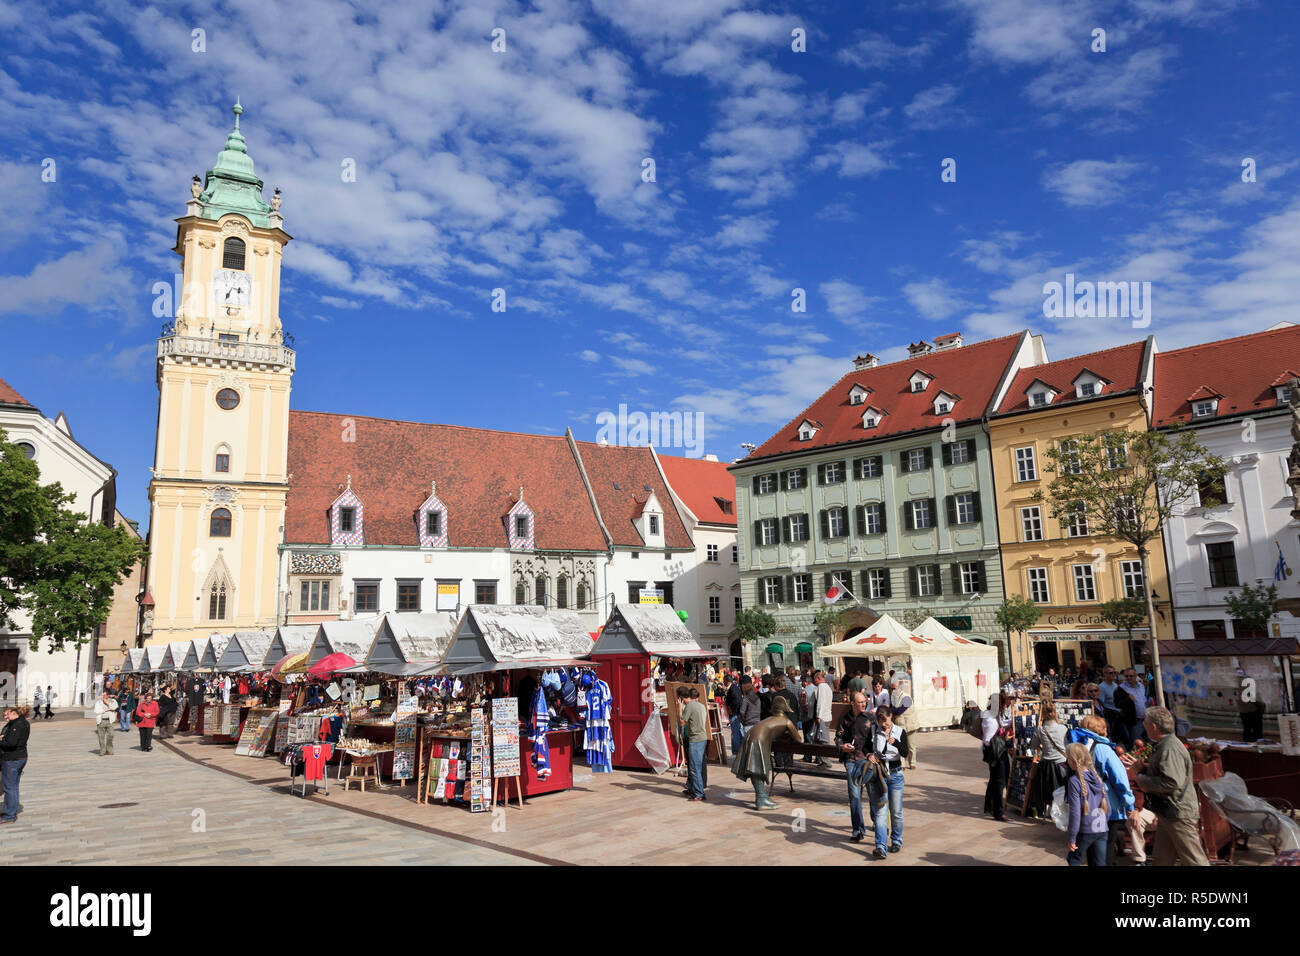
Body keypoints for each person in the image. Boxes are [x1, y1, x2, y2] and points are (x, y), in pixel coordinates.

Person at [1121, 706, 1209, 866]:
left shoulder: (1170, 747)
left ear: (1153, 726)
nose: (1144, 727)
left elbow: (1172, 781)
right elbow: (1168, 772)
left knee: (1195, 861)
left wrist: (1141, 779)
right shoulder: (1166, 745)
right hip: (1168, 813)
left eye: (1145, 723)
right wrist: (1144, 768)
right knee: (1162, 860)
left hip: (1177, 813)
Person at [1068, 715, 1143, 865]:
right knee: (1105, 855)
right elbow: (1120, 779)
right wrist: (1129, 805)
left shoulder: (1078, 744)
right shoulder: (1103, 748)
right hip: (1106, 805)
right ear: (1099, 730)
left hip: (1086, 806)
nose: (1107, 732)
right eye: (1105, 729)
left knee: (1091, 854)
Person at [866, 705, 908, 860]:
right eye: (880, 721)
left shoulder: (900, 731)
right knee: (881, 812)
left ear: (891, 716)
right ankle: (880, 847)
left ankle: (896, 840)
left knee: (896, 812)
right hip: (880, 775)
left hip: (896, 776)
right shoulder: (874, 731)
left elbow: (905, 752)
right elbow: (866, 747)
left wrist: (895, 742)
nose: (884, 724)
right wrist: (869, 754)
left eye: (886, 720)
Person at [835, 690, 874, 843]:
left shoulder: (871, 718)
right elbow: (838, 737)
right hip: (851, 761)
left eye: (864, 701)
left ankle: (877, 822)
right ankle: (857, 829)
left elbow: (878, 739)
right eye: (860, 702)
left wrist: (874, 755)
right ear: (852, 703)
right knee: (854, 796)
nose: (863, 704)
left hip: (868, 761)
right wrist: (842, 746)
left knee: (873, 793)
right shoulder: (845, 718)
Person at [1064, 742, 1109, 866]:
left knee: (1074, 860)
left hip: (1085, 830)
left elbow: (1075, 813)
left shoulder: (1074, 781)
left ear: (1073, 760)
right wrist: (1104, 823)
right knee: (1099, 863)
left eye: (1067, 757)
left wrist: (1072, 837)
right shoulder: (1098, 778)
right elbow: (1108, 808)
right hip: (1102, 829)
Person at [1029, 699, 1069, 820]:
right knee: (1062, 791)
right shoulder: (1063, 728)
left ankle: (1044, 811)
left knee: (1044, 791)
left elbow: (1034, 746)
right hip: (1062, 765)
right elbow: (1067, 745)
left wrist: (1044, 746)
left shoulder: (1040, 730)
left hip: (1046, 766)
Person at [981, 692, 1012, 821]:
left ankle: (989, 806)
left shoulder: (991, 715)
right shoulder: (990, 719)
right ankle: (998, 811)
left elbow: (1000, 724)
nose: (1005, 707)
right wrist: (1004, 738)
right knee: (999, 781)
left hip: (995, 750)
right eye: (1004, 705)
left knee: (994, 779)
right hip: (996, 752)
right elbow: (989, 739)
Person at [0, 704, 29, 824]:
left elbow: (11, 743)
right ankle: (11, 811)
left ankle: (9, 815)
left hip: (12, 758)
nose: (5, 717)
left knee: (9, 787)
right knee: (13, 786)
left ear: (13, 713)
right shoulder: (23, 722)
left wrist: (1, 740)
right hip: (20, 757)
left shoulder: (17, 724)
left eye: (7, 714)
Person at [681, 687, 709, 801]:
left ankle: (699, 793)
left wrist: (679, 708)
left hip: (695, 739)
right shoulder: (702, 706)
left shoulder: (690, 706)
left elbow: (682, 722)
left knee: (694, 768)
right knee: (697, 766)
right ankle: (695, 789)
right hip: (702, 738)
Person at [889, 680, 917, 769]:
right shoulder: (893, 697)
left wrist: (888, 709)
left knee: (911, 746)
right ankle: (902, 764)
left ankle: (912, 763)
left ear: (900, 688)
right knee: (899, 745)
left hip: (910, 725)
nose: (893, 690)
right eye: (892, 688)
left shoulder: (907, 698)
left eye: (895, 688)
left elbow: (899, 711)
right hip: (900, 726)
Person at [1117, 668, 1148, 746]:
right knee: (1137, 744)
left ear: (1136, 676)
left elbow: (1144, 700)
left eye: (1131, 676)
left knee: (1148, 742)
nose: (1129, 678)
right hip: (1134, 721)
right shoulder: (1121, 688)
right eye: (1126, 676)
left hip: (1145, 719)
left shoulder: (1141, 686)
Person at [812, 670, 833, 768]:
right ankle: (822, 760)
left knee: (823, 740)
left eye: (814, 679)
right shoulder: (828, 687)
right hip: (827, 716)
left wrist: (818, 716)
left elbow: (821, 702)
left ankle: (826, 761)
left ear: (818, 679)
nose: (814, 681)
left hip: (823, 717)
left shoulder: (821, 687)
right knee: (821, 739)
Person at [723, 674, 744, 755]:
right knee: (738, 732)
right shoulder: (733, 688)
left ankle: (736, 751)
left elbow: (737, 701)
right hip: (736, 713)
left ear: (728, 681)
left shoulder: (733, 689)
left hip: (735, 714)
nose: (723, 682)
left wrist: (731, 709)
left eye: (724, 681)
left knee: (735, 733)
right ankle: (739, 750)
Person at [93, 690, 118, 755]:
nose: (103, 696)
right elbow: (96, 711)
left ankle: (109, 749)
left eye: (104, 695)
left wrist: (108, 703)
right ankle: (102, 751)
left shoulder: (113, 701)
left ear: (107, 695)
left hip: (110, 721)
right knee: (101, 737)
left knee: (111, 735)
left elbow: (115, 707)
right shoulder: (98, 702)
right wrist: (105, 710)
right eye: (102, 695)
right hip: (101, 721)